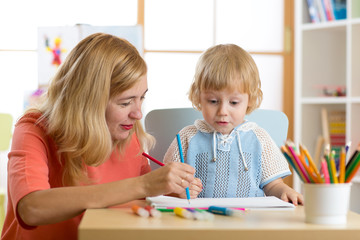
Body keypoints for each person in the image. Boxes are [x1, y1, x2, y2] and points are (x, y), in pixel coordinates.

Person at [1, 33, 196, 240]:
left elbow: (140, 201)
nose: (138, 114)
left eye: (141, 98)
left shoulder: (128, 133)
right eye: (125, 102)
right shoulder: (34, 128)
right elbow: (31, 208)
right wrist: (145, 184)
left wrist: (171, 192)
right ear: (88, 101)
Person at [163, 44, 303, 205]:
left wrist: (286, 191)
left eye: (234, 102)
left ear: (249, 99)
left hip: (248, 223)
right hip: (199, 221)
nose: (223, 111)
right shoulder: (187, 137)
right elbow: (165, 183)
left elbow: (273, 185)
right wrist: (178, 190)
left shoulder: (259, 138)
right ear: (198, 96)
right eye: (213, 101)